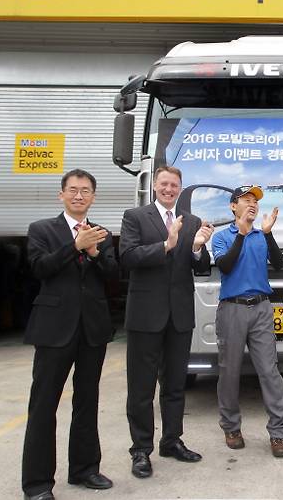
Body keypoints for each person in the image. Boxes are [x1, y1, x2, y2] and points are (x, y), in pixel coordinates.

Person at [22, 169, 118, 500]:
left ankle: (85, 469)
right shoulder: (42, 229)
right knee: (43, 405)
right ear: (61, 194)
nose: (79, 195)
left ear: (93, 197)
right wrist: (74, 246)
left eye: (86, 191)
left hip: (92, 329)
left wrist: (94, 253)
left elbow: (113, 275)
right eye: (73, 190)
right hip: (54, 329)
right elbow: (40, 268)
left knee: (87, 401)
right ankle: (37, 484)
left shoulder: (101, 234)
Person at [119, 166, 213, 478]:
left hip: (179, 315)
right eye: (164, 184)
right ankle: (140, 450)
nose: (169, 189)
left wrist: (197, 247)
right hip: (145, 315)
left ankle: (172, 441)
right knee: (141, 388)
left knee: (174, 385)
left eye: (174, 185)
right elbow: (128, 257)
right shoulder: (135, 217)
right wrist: (165, 245)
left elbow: (201, 268)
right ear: (155, 186)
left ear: (180, 188)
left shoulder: (192, 222)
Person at [211, 185, 283, 458]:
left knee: (269, 371)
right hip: (232, 309)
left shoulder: (261, 236)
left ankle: (278, 433)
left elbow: (278, 263)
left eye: (255, 200)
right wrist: (242, 235)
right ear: (233, 206)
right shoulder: (222, 237)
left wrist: (268, 234)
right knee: (229, 371)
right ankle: (231, 428)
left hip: (261, 309)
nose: (252, 204)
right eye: (246, 200)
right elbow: (225, 266)